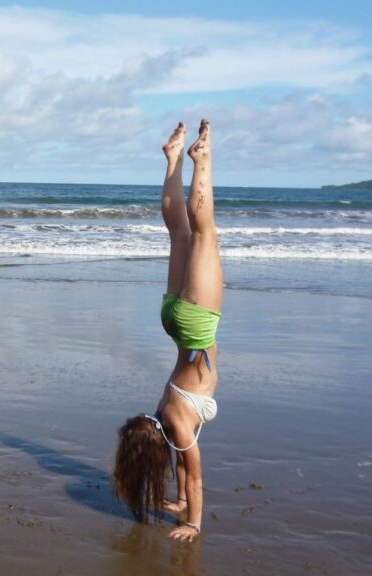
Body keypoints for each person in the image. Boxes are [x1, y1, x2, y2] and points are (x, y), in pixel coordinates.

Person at [113, 120, 222, 543]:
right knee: (180, 233)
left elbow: (194, 475)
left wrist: (193, 521)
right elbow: (181, 465)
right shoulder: (164, 418)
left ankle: (201, 162)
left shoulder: (176, 428)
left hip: (195, 326)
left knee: (203, 234)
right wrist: (178, 506)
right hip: (174, 325)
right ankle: (174, 160)